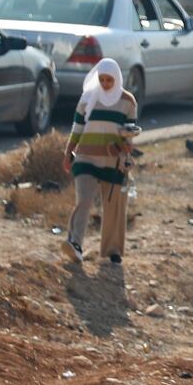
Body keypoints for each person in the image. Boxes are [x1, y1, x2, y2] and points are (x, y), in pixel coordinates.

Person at [62, 59, 137, 265]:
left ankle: (112, 252)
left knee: (113, 206)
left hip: (114, 162)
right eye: (101, 79)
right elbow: (76, 129)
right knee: (84, 200)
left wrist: (121, 147)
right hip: (86, 158)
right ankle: (75, 244)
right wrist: (68, 153)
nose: (105, 83)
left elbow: (129, 134)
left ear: (117, 78)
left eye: (109, 80)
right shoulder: (87, 99)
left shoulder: (128, 102)